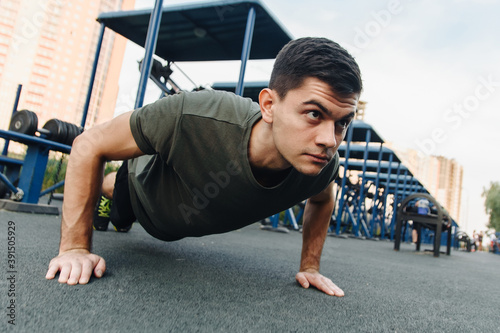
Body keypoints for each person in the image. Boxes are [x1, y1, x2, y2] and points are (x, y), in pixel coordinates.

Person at [45, 37, 362, 297]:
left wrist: (309, 266)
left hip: (177, 224)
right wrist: (73, 247)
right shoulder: (195, 113)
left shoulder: (323, 165)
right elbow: (88, 144)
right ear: (268, 105)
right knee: (117, 189)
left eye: (342, 122)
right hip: (142, 189)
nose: (329, 140)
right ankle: (105, 193)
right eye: (314, 114)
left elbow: (322, 200)